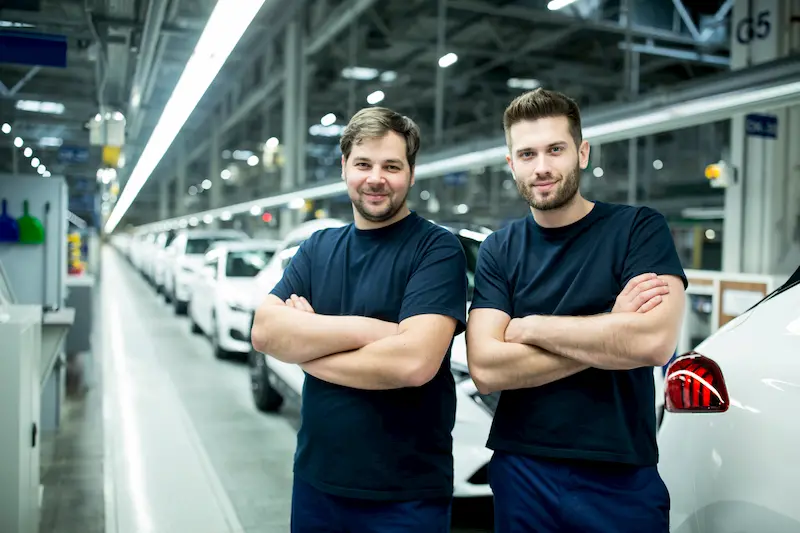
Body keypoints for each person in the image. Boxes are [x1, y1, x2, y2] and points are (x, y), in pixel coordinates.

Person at [465, 88, 687, 533]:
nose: (542, 167)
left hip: (620, 474)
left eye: (555, 150)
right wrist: (611, 328)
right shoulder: (499, 250)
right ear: (512, 165)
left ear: (582, 153)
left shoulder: (638, 229)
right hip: (521, 470)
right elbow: (487, 367)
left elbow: (652, 341)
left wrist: (527, 327)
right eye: (527, 154)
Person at [251, 107, 468, 533]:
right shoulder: (317, 248)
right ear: (344, 167)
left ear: (411, 171)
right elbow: (264, 331)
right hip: (317, 483)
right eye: (363, 164)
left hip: (406, 495)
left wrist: (310, 352)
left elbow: (413, 363)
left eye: (392, 166)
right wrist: (373, 332)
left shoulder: (437, 250)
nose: (376, 178)